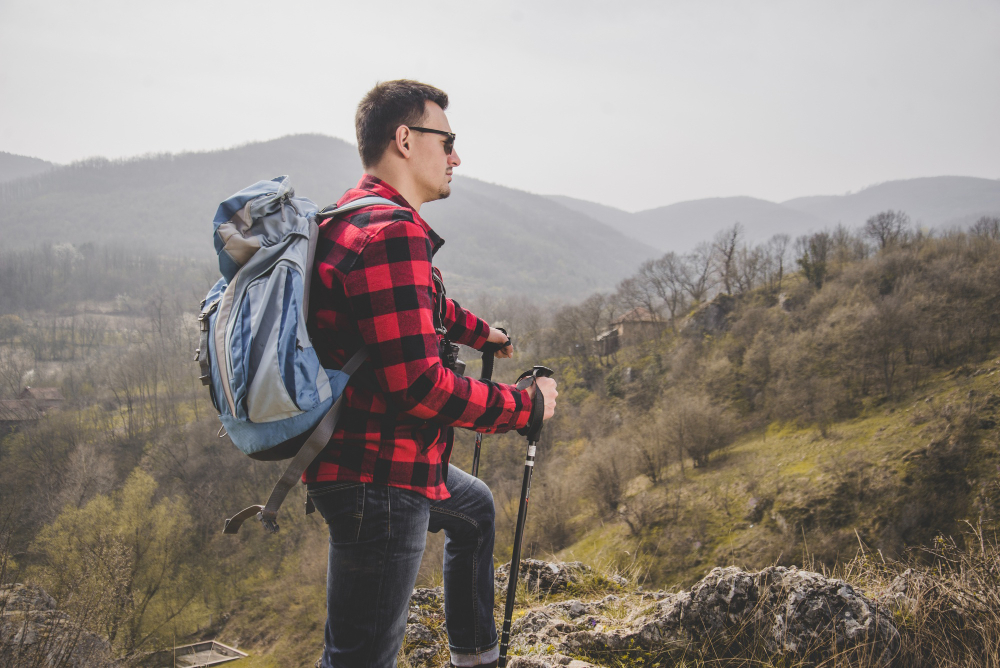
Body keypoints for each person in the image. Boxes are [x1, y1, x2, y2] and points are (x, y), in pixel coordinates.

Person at [305, 79, 558, 668]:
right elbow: (419, 387)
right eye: (446, 140)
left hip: (363, 459)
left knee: (473, 511)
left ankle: (475, 655)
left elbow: (416, 306)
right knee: (359, 658)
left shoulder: (351, 215)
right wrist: (527, 407)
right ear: (404, 139)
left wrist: (479, 332)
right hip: (380, 481)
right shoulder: (393, 234)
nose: (456, 156)